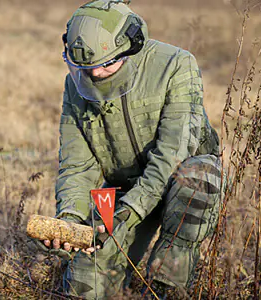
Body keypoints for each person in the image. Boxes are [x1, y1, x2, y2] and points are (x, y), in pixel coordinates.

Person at [36, 0, 225, 298]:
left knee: (201, 176)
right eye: (88, 68)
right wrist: (70, 219)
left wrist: (131, 212)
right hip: (122, 192)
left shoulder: (176, 64)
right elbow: (78, 166)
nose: (96, 75)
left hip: (177, 181)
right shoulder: (76, 85)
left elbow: (172, 154)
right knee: (84, 288)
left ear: (131, 46)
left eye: (107, 64)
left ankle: (167, 286)